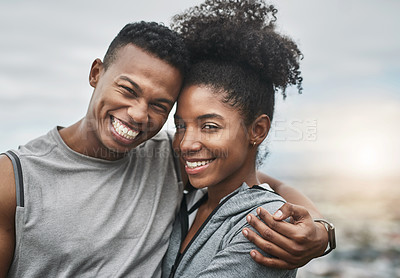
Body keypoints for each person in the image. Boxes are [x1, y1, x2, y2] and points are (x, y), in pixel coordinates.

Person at [0, 16, 330, 278]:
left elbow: (261, 185)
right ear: (96, 73)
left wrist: (321, 232)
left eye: (160, 105)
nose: (138, 115)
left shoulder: (166, 157)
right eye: (128, 90)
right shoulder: (13, 179)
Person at [162, 0, 332, 277]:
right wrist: (325, 227)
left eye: (210, 126)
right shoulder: (192, 200)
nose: (185, 144)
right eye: (181, 125)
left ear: (257, 131)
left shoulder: (266, 227)